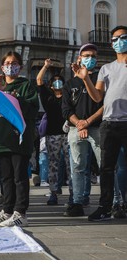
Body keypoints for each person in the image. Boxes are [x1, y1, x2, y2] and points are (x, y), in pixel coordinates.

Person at [73, 26, 127, 221]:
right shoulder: (106, 68)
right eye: (114, 39)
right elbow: (97, 97)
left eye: (122, 38)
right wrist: (86, 77)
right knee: (106, 168)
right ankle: (105, 206)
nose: (118, 42)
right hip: (109, 124)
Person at [0, 51, 39, 227]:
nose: (10, 66)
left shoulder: (26, 86)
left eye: (14, 63)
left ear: (20, 67)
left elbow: (32, 110)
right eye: (7, 63)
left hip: (19, 139)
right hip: (1, 141)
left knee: (19, 177)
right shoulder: (0, 88)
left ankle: (20, 213)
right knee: (5, 178)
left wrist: (16, 98)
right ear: (2, 67)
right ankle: (7, 210)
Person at [62, 43, 103, 217]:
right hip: (75, 129)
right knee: (77, 167)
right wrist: (79, 123)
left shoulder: (100, 79)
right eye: (86, 55)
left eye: (93, 56)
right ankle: (77, 201)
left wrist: (87, 122)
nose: (90, 59)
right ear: (79, 58)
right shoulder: (70, 83)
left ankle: (114, 201)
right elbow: (66, 109)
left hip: (97, 128)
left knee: (106, 166)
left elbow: (103, 104)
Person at [36, 59, 71, 206]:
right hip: (52, 134)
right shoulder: (47, 96)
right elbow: (38, 79)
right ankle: (53, 193)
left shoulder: (68, 96)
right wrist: (45, 66)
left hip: (68, 133)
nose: (58, 83)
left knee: (71, 165)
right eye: (55, 81)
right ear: (51, 85)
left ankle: (74, 194)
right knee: (53, 165)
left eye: (60, 80)